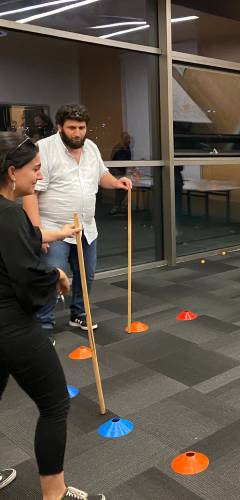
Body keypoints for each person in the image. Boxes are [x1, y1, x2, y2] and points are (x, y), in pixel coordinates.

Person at [0, 132, 105, 500]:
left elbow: (26, 240)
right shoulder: (9, 214)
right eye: (34, 169)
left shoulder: (8, 215)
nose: (39, 176)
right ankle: (55, 495)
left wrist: (60, 235)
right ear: (12, 172)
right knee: (55, 403)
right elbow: (27, 274)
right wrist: (56, 275)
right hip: (11, 326)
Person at [23, 104, 132, 335]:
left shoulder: (91, 147)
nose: (77, 133)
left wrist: (116, 182)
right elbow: (30, 192)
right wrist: (38, 232)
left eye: (81, 128)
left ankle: (79, 314)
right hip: (54, 228)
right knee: (53, 275)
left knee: (86, 274)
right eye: (72, 128)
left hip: (86, 227)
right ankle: (44, 324)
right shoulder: (44, 148)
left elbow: (101, 174)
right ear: (60, 127)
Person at [109, 131, 132, 215]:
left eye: (129, 138)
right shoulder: (118, 148)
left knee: (124, 189)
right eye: (127, 138)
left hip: (122, 171)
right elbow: (114, 159)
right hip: (116, 171)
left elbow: (127, 160)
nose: (129, 140)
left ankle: (118, 205)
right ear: (123, 139)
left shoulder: (127, 148)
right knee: (119, 189)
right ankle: (116, 206)